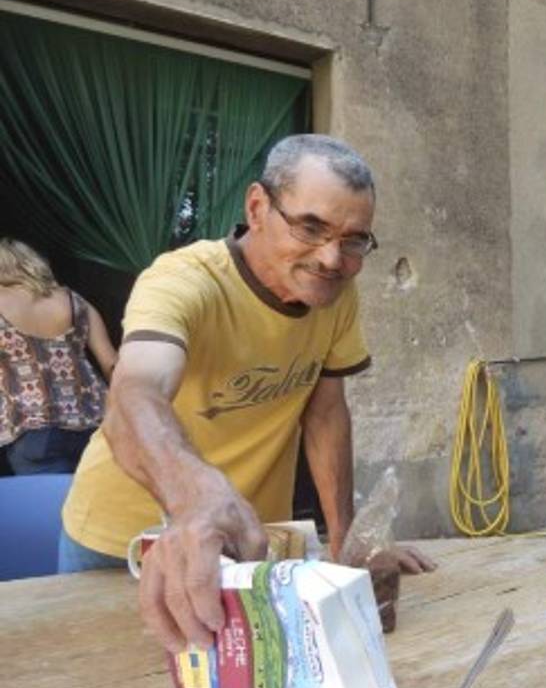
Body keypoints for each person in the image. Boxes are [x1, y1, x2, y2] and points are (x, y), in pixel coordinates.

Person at [60, 134, 435, 654]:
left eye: (354, 240)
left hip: (251, 547)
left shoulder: (335, 300)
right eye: (311, 227)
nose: (331, 258)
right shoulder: (184, 279)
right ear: (258, 207)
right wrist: (194, 497)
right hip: (120, 544)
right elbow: (134, 393)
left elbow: (325, 415)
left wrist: (347, 547)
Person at [0, 238, 116, 474]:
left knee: (49, 508)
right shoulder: (75, 301)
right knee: (91, 507)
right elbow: (112, 363)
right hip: (95, 426)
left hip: (33, 431)